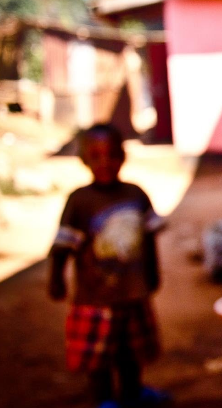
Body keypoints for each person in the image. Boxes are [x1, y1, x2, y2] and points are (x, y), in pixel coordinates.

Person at [48, 123, 169, 408]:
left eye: (112, 155)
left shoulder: (135, 194)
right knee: (98, 358)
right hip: (95, 299)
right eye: (96, 155)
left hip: (133, 294)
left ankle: (133, 393)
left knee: (131, 352)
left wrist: (152, 274)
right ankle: (104, 400)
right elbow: (63, 246)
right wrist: (56, 279)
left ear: (123, 156)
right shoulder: (79, 201)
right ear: (84, 159)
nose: (105, 162)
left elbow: (148, 238)